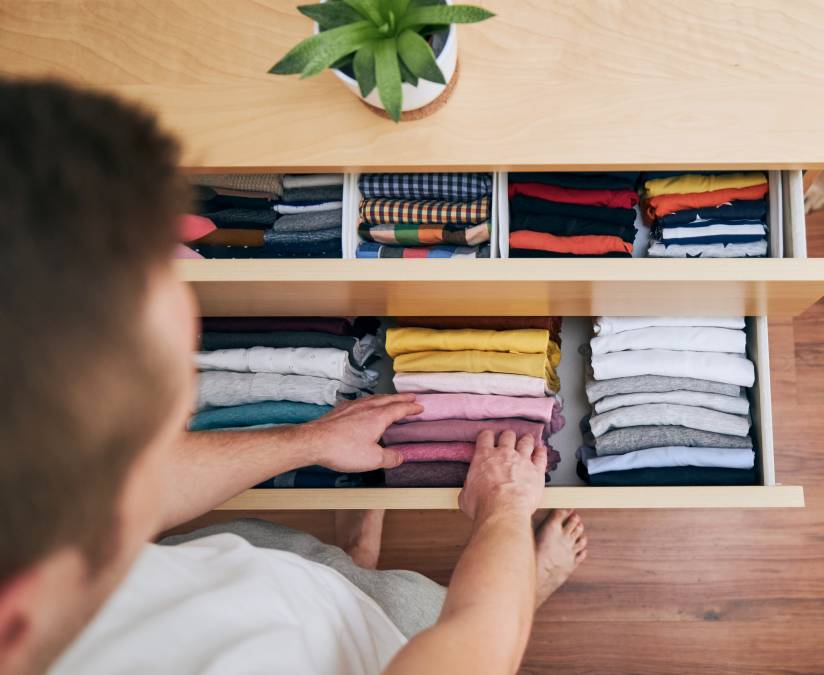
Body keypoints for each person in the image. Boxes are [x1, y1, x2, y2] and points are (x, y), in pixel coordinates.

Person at [0, 79, 587, 675]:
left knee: (312, 560)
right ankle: (525, 588)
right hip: (383, 641)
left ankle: (353, 555)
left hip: (256, 573)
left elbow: (116, 491)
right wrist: (506, 511)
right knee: (452, 613)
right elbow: (478, 651)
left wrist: (308, 440)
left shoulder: (37, 532)